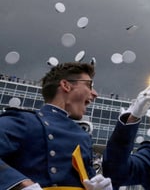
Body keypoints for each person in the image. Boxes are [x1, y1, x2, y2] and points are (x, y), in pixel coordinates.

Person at [0, 62, 112, 190]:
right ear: (66, 85)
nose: (95, 93)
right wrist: (21, 184)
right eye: (89, 85)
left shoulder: (84, 137)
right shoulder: (25, 121)